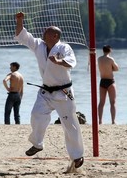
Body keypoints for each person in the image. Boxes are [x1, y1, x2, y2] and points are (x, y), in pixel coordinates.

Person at [14, 11, 84, 169]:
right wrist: (20, 21)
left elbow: (72, 62)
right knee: (36, 115)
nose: (43, 32)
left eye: (47, 32)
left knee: (70, 125)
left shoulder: (64, 48)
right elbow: (23, 37)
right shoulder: (39, 45)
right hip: (45, 92)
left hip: (64, 93)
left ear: (55, 36)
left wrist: (59, 61)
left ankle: (77, 156)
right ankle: (37, 144)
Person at [97, 45, 119, 125]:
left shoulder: (99, 59)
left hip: (102, 81)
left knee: (101, 102)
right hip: (110, 81)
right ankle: (113, 121)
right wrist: (111, 68)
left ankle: (100, 121)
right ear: (110, 50)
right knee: (112, 102)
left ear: (103, 50)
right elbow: (117, 68)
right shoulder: (110, 59)